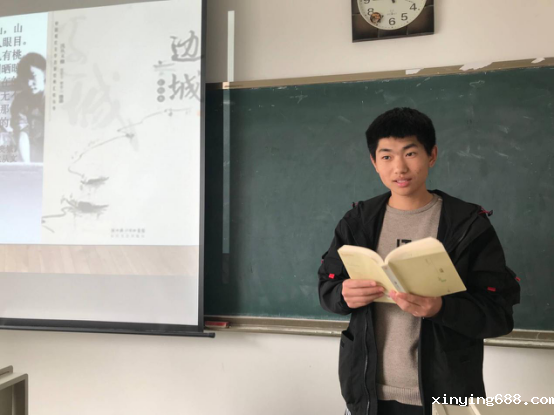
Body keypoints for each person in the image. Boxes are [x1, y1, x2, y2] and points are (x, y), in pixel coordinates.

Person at [318, 108, 520, 415]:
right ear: (374, 162)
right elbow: (327, 287)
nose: (399, 167)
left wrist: (441, 308)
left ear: (432, 155)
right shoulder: (357, 221)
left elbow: (498, 314)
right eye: (386, 156)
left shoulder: (467, 225)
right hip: (366, 396)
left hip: (445, 398)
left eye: (410, 153)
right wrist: (342, 294)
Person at [10, 52, 46, 163]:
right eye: (25, 80)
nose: (29, 83)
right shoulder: (20, 102)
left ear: (45, 73)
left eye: (33, 76)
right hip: (35, 155)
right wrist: (27, 165)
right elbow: (22, 132)